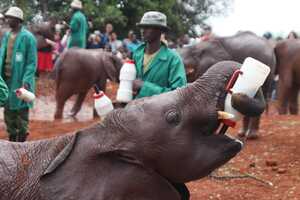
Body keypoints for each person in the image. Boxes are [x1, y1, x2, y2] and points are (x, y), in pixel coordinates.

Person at [132, 11, 188, 199]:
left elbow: (179, 93)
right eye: (143, 27)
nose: (144, 31)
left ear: (160, 31)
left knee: (162, 166)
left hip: (161, 121)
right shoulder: (137, 52)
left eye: (149, 28)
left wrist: (144, 87)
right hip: (136, 116)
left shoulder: (172, 59)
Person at [0, 6, 37, 142]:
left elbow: (32, 62)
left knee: (21, 109)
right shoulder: (7, 36)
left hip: (20, 79)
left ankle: (21, 138)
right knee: (8, 108)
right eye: (7, 17)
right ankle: (11, 135)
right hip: (7, 79)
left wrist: (26, 80)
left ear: (18, 20)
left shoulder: (28, 38)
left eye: (10, 18)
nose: (8, 20)